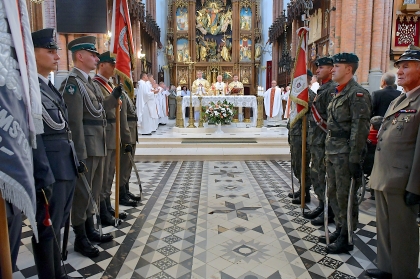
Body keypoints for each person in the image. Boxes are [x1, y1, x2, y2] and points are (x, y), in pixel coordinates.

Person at [366, 48, 420, 279]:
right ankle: (387, 268)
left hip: (403, 180)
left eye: (406, 66)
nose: (399, 71)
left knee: (403, 233)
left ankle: (404, 273)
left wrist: (415, 187)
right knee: (385, 229)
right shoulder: (400, 99)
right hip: (384, 175)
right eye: (399, 66)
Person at [60, 36, 115, 258]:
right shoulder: (72, 84)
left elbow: (99, 109)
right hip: (87, 147)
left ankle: (90, 229)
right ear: (80, 56)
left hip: (98, 143)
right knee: (83, 193)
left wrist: (115, 97)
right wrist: (79, 154)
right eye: (92, 54)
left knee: (92, 189)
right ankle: (80, 236)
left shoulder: (89, 82)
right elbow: (74, 122)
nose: (96, 57)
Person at [30, 28, 79, 278]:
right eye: (50, 51)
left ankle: (58, 271)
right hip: (49, 169)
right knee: (47, 228)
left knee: (58, 224)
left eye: (56, 51)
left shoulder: (46, 86)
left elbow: (64, 128)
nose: (57, 57)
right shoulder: (29, 89)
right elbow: (35, 136)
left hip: (64, 165)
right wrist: (42, 173)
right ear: (31, 52)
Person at [322, 53, 371, 254]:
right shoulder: (338, 92)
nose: (332, 69)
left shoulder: (357, 94)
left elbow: (359, 128)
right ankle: (341, 228)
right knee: (333, 192)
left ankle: (347, 236)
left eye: (336, 66)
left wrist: (354, 158)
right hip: (333, 151)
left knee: (346, 196)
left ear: (348, 69)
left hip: (345, 153)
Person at [92, 51, 129, 226]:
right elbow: (100, 109)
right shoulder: (96, 85)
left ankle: (107, 207)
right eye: (111, 64)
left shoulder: (107, 85)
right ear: (101, 65)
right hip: (105, 136)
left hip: (113, 135)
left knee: (109, 175)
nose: (115, 68)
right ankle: (102, 209)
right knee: (103, 175)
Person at [304, 57, 336, 226]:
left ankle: (328, 210)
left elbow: (331, 118)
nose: (317, 71)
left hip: (323, 141)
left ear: (331, 69)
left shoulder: (331, 90)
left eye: (321, 67)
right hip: (316, 140)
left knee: (323, 176)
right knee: (316, 174)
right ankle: (322, 205)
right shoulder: (323, 88)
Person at [287, 71, 313, 205]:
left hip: (303, 135)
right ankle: (301, 188)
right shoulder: (297, 94)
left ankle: (306, 192)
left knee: (302, 165)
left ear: (306, 79)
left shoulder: (309, 96)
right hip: (295, 134)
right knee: (296, 164)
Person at [119, 81, 141, 207]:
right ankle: (122, 194)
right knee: (124, 166)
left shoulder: (126, 94)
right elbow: (123, 118)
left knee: (128, 166)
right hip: (127, 135)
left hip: (132, 134)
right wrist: (126, 138)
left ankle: (126, 190)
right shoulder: (121, 94)